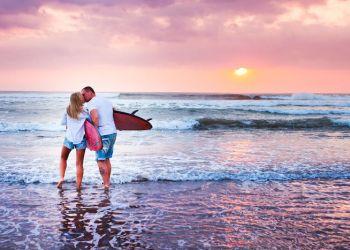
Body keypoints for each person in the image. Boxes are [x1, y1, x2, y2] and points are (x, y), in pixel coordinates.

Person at [81, 86, 117, 190]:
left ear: (90, 92)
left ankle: (106, 185)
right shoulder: (106, 100)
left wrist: (94, 133)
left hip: (103, 134)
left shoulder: (92, 102)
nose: (82, 97)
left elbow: (95, 117)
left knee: (100, 160)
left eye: (83, 94)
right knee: (107, 158)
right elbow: (115, 114)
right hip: (112, 133)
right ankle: (107, 182)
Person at [57, 92, 89, 190]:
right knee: (79, 164)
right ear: (80, 100)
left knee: (63, 158)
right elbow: (91, 123)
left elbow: (64, 124)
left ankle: (62, 178)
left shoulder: (67, 110)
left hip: (69, 138)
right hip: (81, 139)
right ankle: (78, 186)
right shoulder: (85, 112)